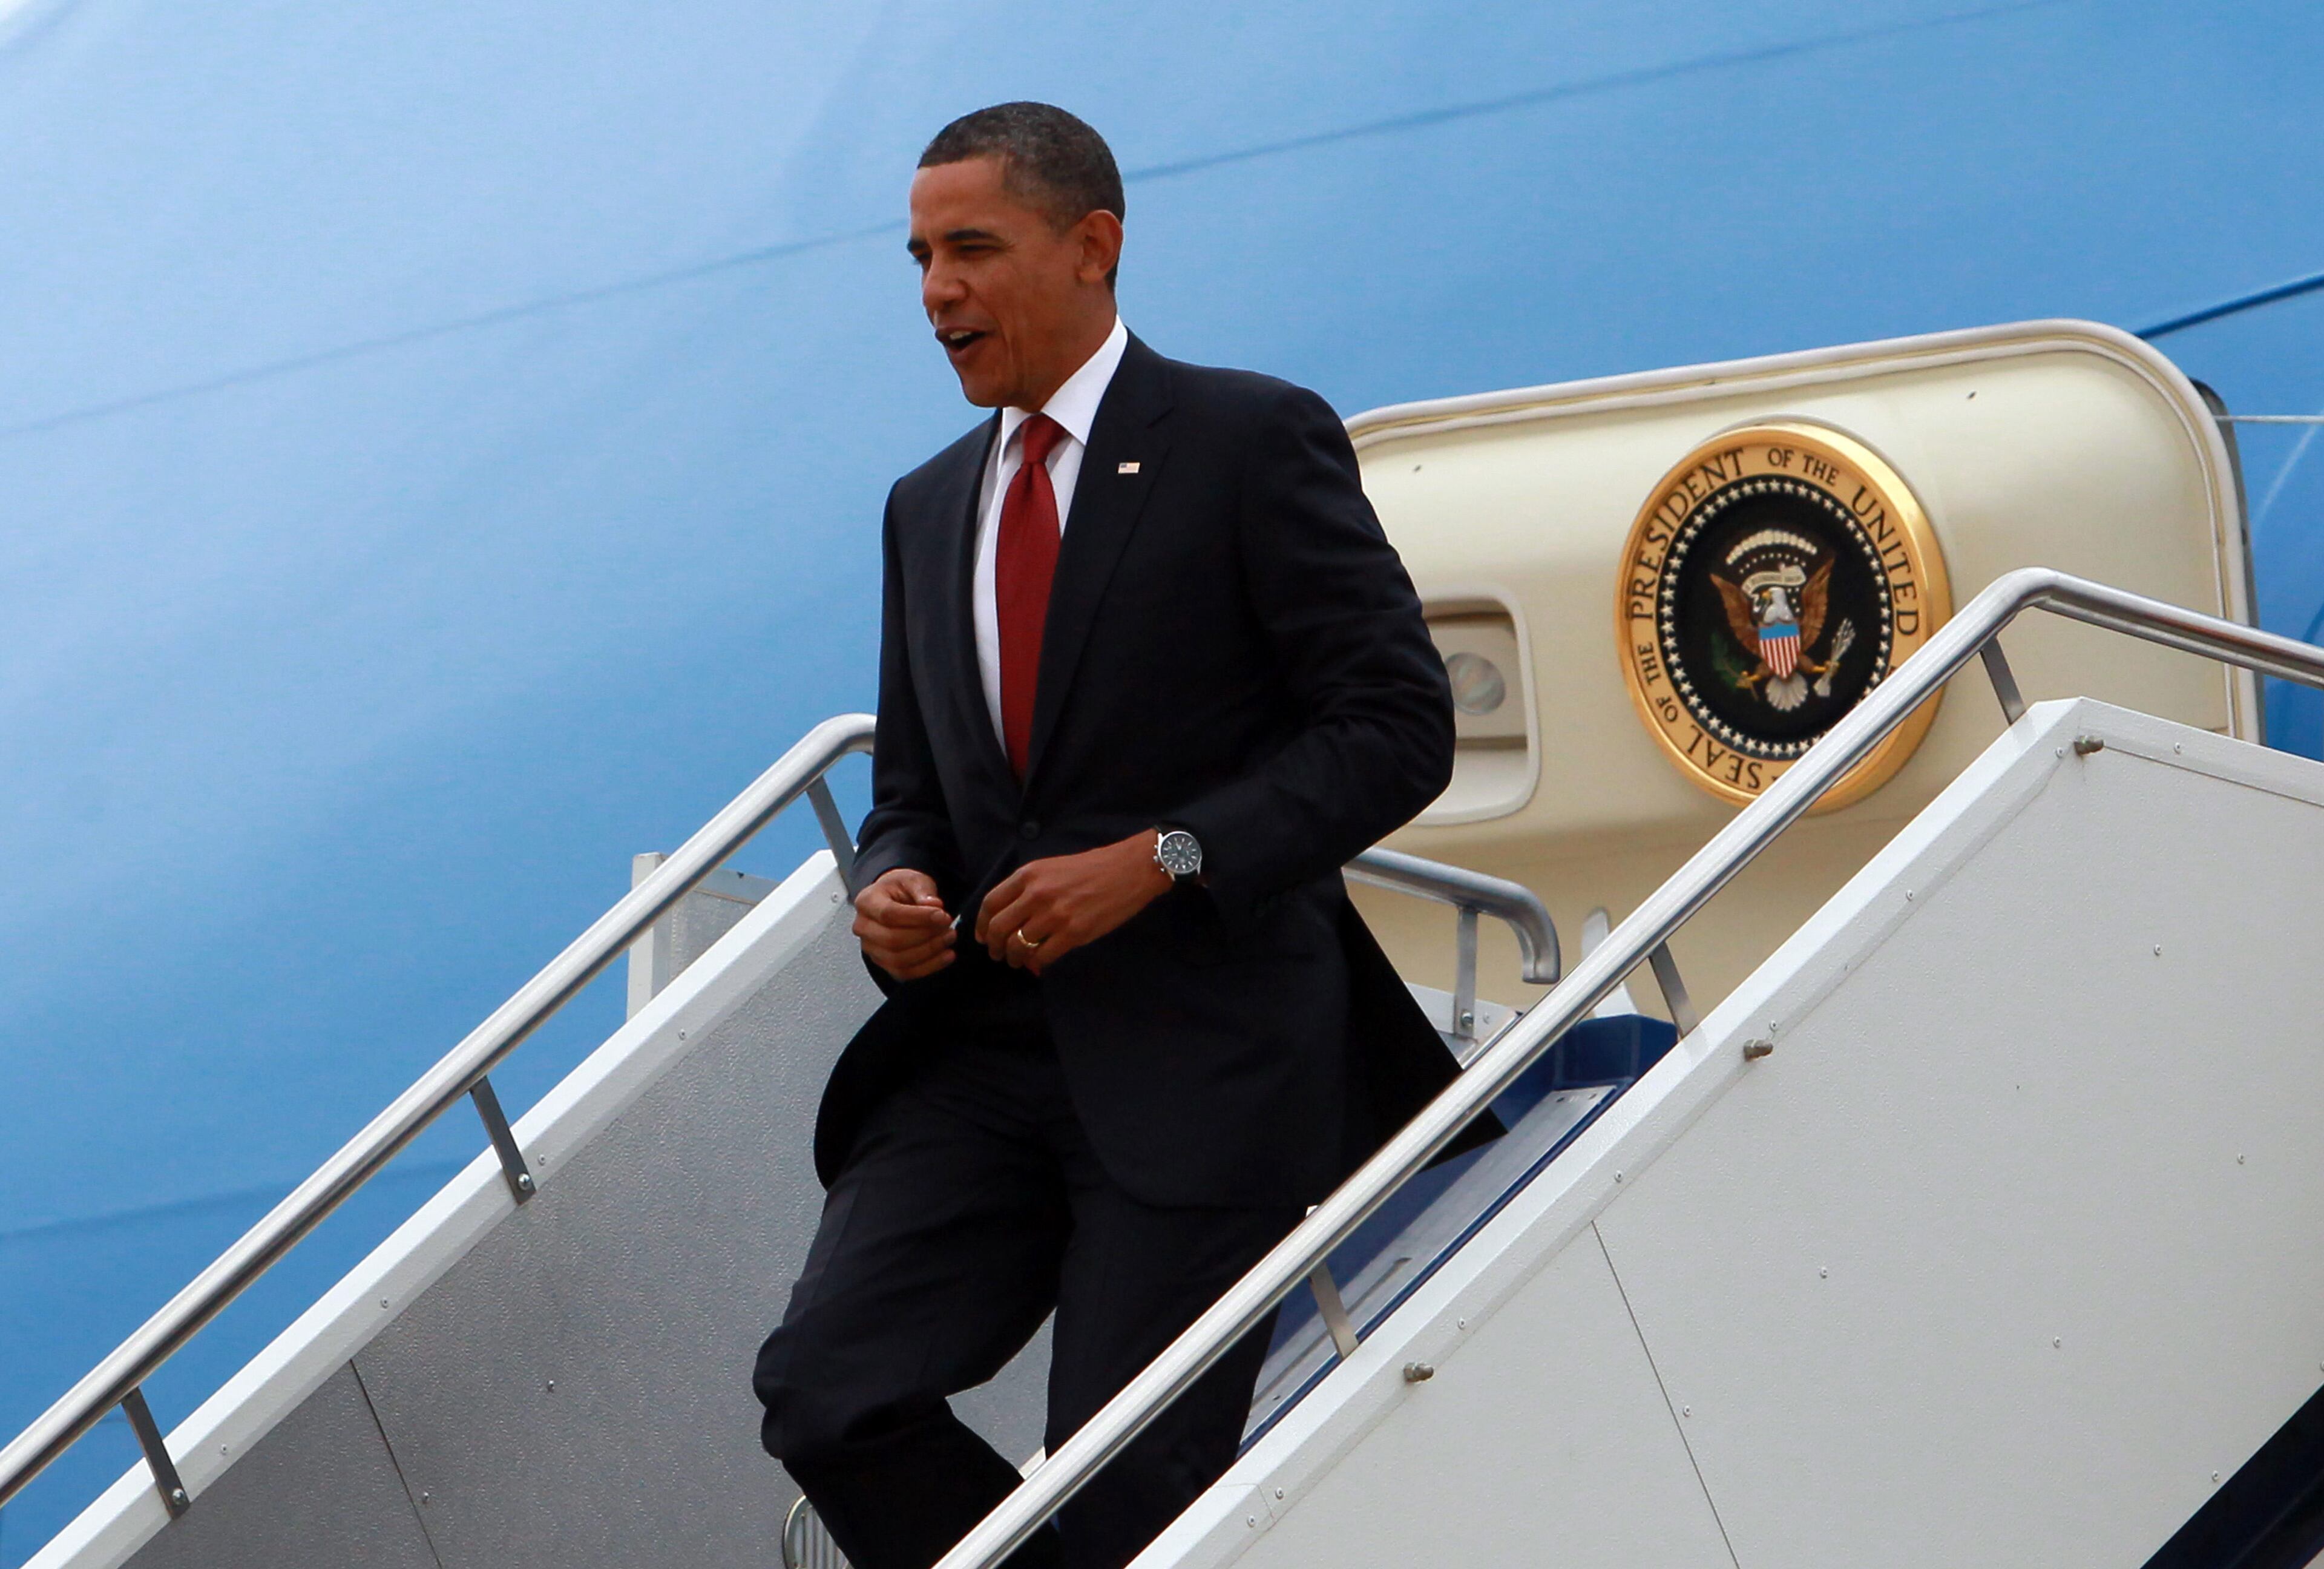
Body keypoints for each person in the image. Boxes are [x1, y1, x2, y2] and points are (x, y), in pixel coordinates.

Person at [753, 101, 1471, 1569]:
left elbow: (1397, 727)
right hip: (984, 1062)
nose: (936, 290)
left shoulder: (1244, 439)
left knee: (1123, 1496)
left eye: (970, 249)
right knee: (827, 1395)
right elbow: (921, 790)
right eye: (918, 259)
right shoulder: (926, 508)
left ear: (1095, 248)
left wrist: (1167, 858)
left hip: (1205, 1062)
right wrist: (895, 879)